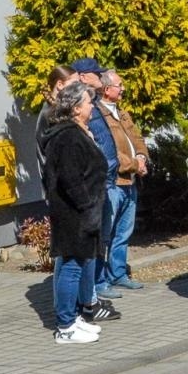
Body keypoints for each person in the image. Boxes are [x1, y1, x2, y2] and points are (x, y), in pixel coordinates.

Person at [39, 81, 110, 344]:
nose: (92, 107)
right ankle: (65, 325)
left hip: (83, 210)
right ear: (77, 108)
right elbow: (70, 178)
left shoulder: (77, 131)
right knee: (71, 267)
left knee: (76, 265)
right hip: (75, 213)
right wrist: (87, 206)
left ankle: (74, 317)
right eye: (89, 103)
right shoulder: (67, 136)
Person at [72, 58, 124, 298]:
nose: (101, 78)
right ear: (83, 77)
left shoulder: (92, 103)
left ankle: (98, 283)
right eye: (96, 74)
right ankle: (94, 286)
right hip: (97, 184)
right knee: (97, 237)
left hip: (107, 180)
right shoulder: (81, 105)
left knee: (104, 235)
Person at [96, 69, 149, 292]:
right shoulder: (99, 116)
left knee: (123, 232)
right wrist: (135, 165)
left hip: (130, 182)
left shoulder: (122, 113)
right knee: (105, 234)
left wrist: (142, 156)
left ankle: (117, 273)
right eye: (120, 85)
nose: (123, 88)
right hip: (114, 183)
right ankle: (100, 281)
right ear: (107, 90)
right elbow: (110, 153)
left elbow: (137, 139)